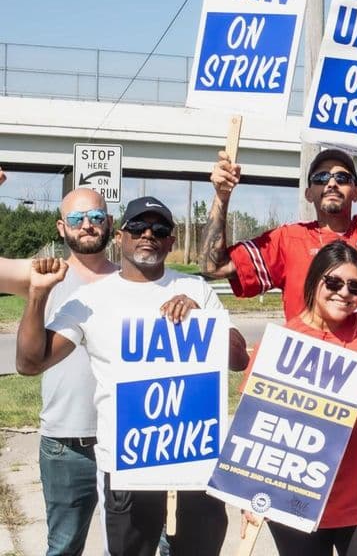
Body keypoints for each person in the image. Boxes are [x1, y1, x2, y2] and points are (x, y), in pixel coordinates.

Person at [17, 197, 250, 556]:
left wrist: (204, 320)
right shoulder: (91, 299)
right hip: (128, 465)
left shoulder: (196, 290)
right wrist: (37, 296)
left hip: (194, 462)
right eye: (139, 228)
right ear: (120, 236)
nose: (148, 235)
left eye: (159, 230)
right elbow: (30, 363)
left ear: (171, 241)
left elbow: (237, 360)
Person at [200, 83, 357, 323]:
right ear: (309, 193)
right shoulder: (287, 240)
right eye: (321, 178)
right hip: (309, 358)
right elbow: (213, 266)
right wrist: (221, 196)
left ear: (356, 192)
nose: (331, 183)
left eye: (342, 178)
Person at [245, 241, 357, 555]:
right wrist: (248, 495)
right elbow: (255, 425)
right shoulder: (282, 341)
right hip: (294, 498)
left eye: (355, 286)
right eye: (333, 282)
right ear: (313, 281)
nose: (344, 293)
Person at [0, 188, 118, 556]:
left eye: (97, 217)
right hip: (67, 445)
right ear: (60, 227)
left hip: (127, 441)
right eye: (76, 219)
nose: (87, 225)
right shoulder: (42, 274)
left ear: (109, 223)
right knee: (64, 547)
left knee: (144, 545)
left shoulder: (135, 279)